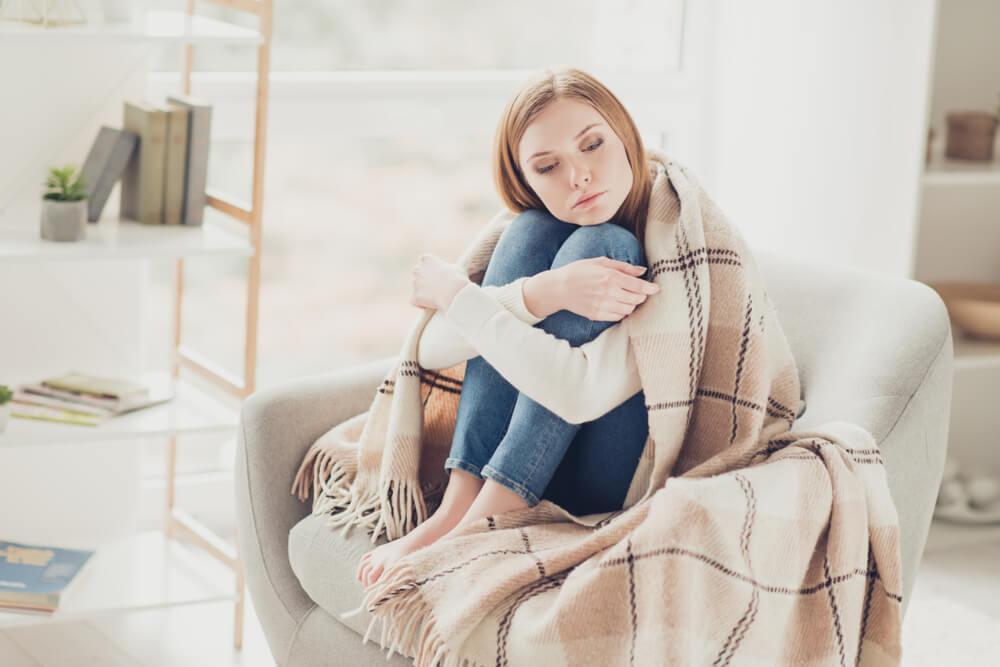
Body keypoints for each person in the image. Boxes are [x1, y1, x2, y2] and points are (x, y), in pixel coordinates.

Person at [357, 66, 661, 589]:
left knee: (605, 244)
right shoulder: (535, 236)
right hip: (530, 456)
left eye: (592, 145)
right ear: (526, 180)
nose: (579, 177)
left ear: (624, 135)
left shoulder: (673, 239)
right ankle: (458, 506)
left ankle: (486, 521)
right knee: (528, 231)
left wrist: (456, 294)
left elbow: (576, 394)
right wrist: (548, 292)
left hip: (611, 473)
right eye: (548, 167)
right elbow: (429, 350)